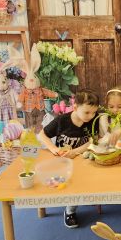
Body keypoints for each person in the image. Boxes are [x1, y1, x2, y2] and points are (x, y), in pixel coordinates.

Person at [38, 89, 100, 229]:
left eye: (94, 112)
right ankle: (70, 211)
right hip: (63, 162)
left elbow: (93, 140)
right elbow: (42, 135)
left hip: (84, 159)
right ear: (75, 107)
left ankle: (78, 201)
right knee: (71, 184)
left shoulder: (93, 120)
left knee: (85, 180)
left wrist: (76, 152)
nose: (91, 116)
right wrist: (53, 149)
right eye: (87, 112)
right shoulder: (62, 120)